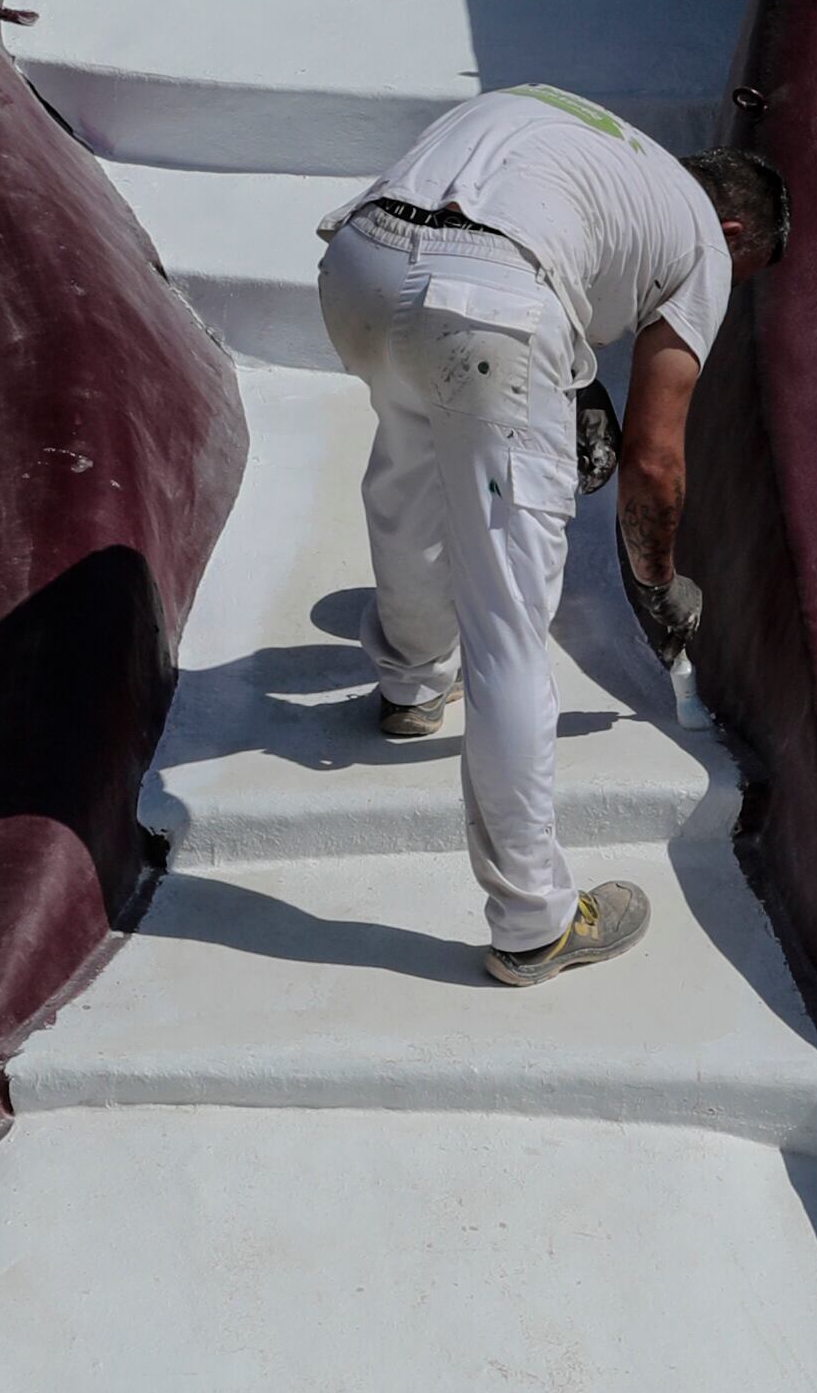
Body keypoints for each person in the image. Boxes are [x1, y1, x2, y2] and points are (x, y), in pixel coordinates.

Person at [315, 93, 775, 987]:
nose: (727, 291)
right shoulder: (704, 241)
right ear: (729, 225)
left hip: (360, 266)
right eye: (744, 271)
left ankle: (410, 683)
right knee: (508, 624)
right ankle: (534, 920)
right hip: (487, 306)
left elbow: (525, 250)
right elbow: (651, 457)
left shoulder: (593, 135)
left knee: (408, 469)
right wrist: (657, 579)